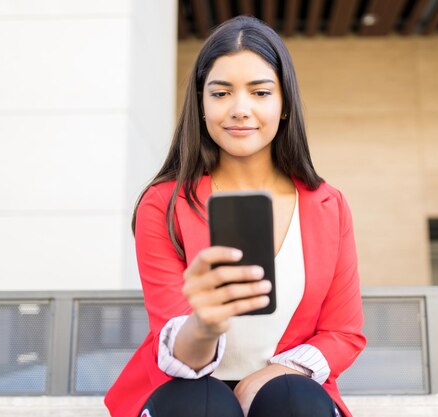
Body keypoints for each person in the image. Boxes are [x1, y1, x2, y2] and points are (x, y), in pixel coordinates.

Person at [105, 15, 366, 417]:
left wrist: (278, 371)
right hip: (187, 388)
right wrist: (204, 325)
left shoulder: (328, 206)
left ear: (283, 105)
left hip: (285, 389)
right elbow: (174, 346)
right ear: (202, 104)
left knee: (293, 401)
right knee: (200, 405)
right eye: (221, 93)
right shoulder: (164, 204)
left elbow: (343, 333)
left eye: (260, 93)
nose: (240, 109)